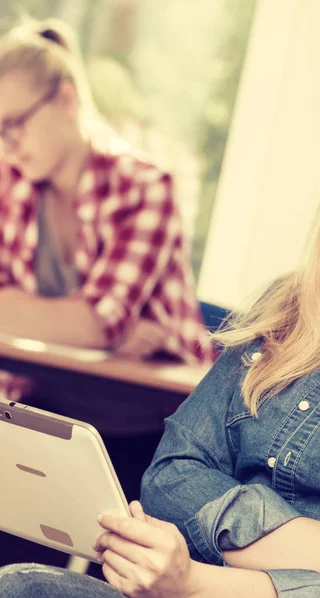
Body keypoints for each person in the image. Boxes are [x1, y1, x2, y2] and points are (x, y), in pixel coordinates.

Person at [2, 39, 320, 598]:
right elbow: (168, 478)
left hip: (203, 584)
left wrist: (198, 581)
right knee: (20, 586)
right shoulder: (293, 305)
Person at [0, 18, 214, 414]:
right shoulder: (10, 183)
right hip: (45, 395)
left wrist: (93, 330)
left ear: (65, 100)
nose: (7, 146)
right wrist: (100, 332)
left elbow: (96, 324)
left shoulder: (144, 186)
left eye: (14, 125)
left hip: (147, 409)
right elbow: (98, 328)